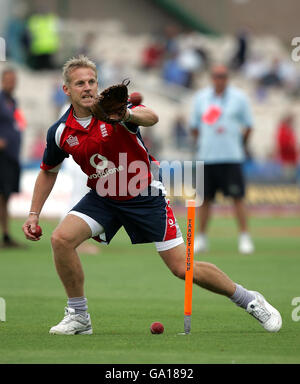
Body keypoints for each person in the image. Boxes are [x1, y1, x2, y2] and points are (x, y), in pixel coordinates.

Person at [22, 56, 281, 335]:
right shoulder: (60, 131)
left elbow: (152, 117)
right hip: (104, 196)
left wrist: (126, 115)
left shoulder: (116, 109)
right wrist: (33, 213)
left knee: (182, 268)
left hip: (144, 193)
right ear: (66, 89)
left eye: (91, 81)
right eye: (79, 83)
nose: (87, 88)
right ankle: (79, 316)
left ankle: (249, 299)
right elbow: (48, 170)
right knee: (61, 239)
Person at [190, 64, 254, 255]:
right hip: (207, 157)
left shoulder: (239, 98)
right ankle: (201, 238)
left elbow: (248, 125)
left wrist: (238, 144)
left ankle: (244, 237)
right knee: (204, 199)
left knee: (238, 198)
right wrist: (204, 143)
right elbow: (194, 127)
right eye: (217, 76)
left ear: (228, 77)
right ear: (212, 77)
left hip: (231, 156)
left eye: (223, 76)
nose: (220, 79)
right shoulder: (201, 98)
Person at [0, 68, 24, 247]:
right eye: (8, 79)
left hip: (11, 156)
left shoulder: (12, 101)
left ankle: (6, 235)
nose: (12, 82)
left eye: (14, 79)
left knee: (5, 196)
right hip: (2, 156)